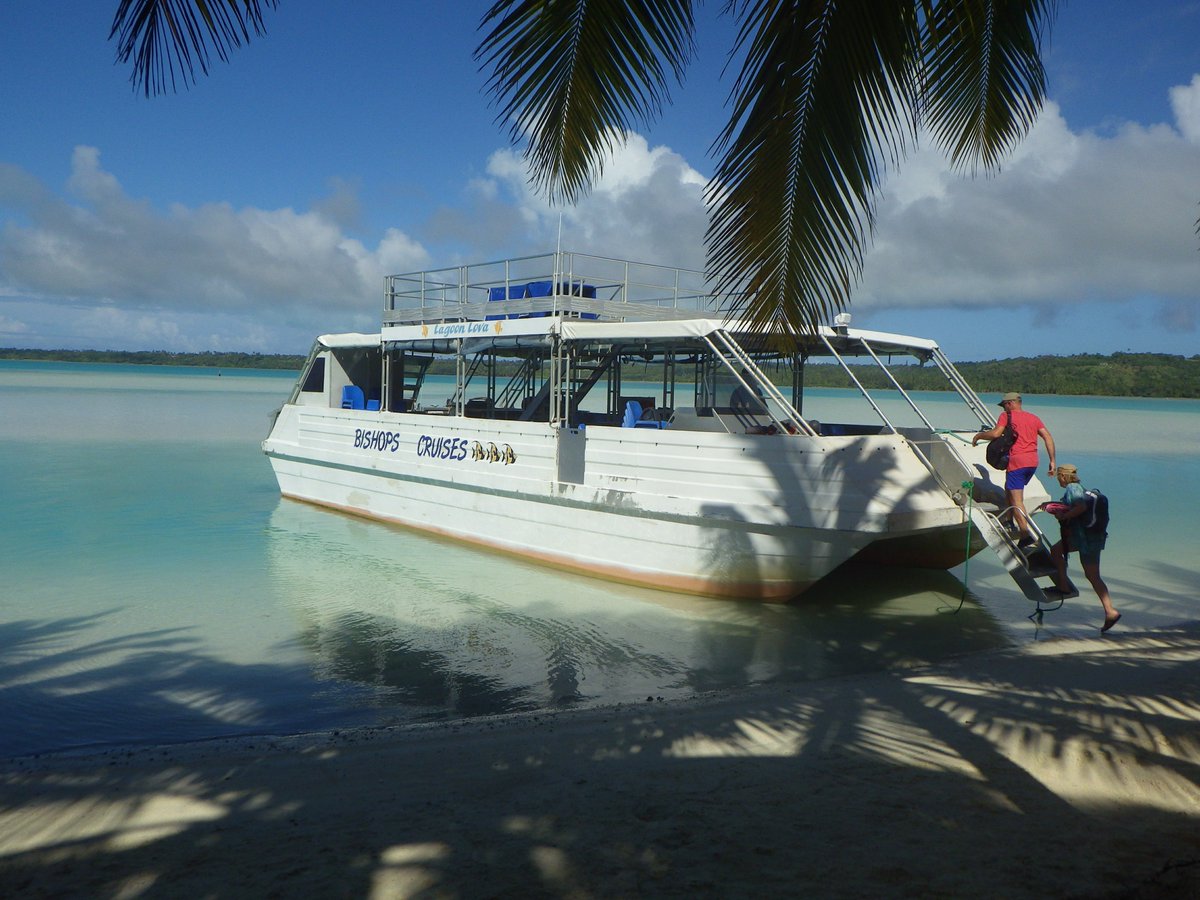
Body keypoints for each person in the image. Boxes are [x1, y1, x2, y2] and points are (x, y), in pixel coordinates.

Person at [1038, 463, 1121, 632]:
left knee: (1055, 551)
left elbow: (1080, 507)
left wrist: (1064, 515)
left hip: (1083, 538)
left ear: (1063, 476)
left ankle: (1063, 585)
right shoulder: (1081, 488)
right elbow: (1079, 506)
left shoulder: (1072, 488)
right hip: (1095, 537)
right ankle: (1109, 611)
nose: (1058, 481)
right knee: (1093, 576)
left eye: (1058, 477)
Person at [972, 391, 1056, 546]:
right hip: (1032, 462)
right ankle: (1009, 519)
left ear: (1010, 403)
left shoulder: (1007, 416)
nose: (1003, 409)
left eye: (1004, 405)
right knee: (1009, 488)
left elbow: (996, 434)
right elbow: (1047, 437)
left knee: (1017, 500)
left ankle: (1025, 535)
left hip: (1017, 462)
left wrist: (979, 436)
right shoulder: (1033, 418)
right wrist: (1052, 461)